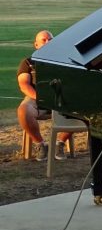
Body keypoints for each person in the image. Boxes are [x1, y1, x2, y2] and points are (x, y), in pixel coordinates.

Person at [17, 30, 71, 161]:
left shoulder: (65, 61)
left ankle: (60, 143)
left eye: (51, 40)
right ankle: (40, 145)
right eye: (44, 40)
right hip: (36, 98)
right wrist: (40, 98)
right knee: (23, 111)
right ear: (36, 45)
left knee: (82, 107)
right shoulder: (28, 63)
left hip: (61, 98)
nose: (48, 42)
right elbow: (24, 84)